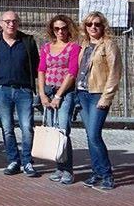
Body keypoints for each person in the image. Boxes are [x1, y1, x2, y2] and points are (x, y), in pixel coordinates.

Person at [0, 11, 40, 177]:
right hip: (2, 91)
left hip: (24, 91)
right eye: (7, 21)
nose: (11, 24)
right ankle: (13, 160)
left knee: (27, 127)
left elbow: (36, 64)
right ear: (1, 23)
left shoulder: (27, 42)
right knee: (7, 128)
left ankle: (27, 161)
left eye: (14, 21)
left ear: (18, 23)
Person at [77, 12, 122, 191]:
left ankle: (107, 174)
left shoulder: (109, 45)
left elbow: (115, 73)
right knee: (90, 136)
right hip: (82, 94)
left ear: (103, 26)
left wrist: (107, 97)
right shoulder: (84, 45)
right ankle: (96, 172)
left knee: (95, 135)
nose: (93, 27)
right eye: (89, 24)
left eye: (97, 24)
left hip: (97, 94)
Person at [36, 15, 80, 184]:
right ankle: (58, 167)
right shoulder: (46, 48)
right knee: (52, 128)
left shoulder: (73, 48)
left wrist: (59, 95)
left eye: (63, 28)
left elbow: (72, 72)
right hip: (48, 91)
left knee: (63, 129)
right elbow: (41, 70)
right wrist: (42, 94)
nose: (60, 31)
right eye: (57, 28)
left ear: (69, 28)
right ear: (52, 30)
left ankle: (67, 169)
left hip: (65, 92)